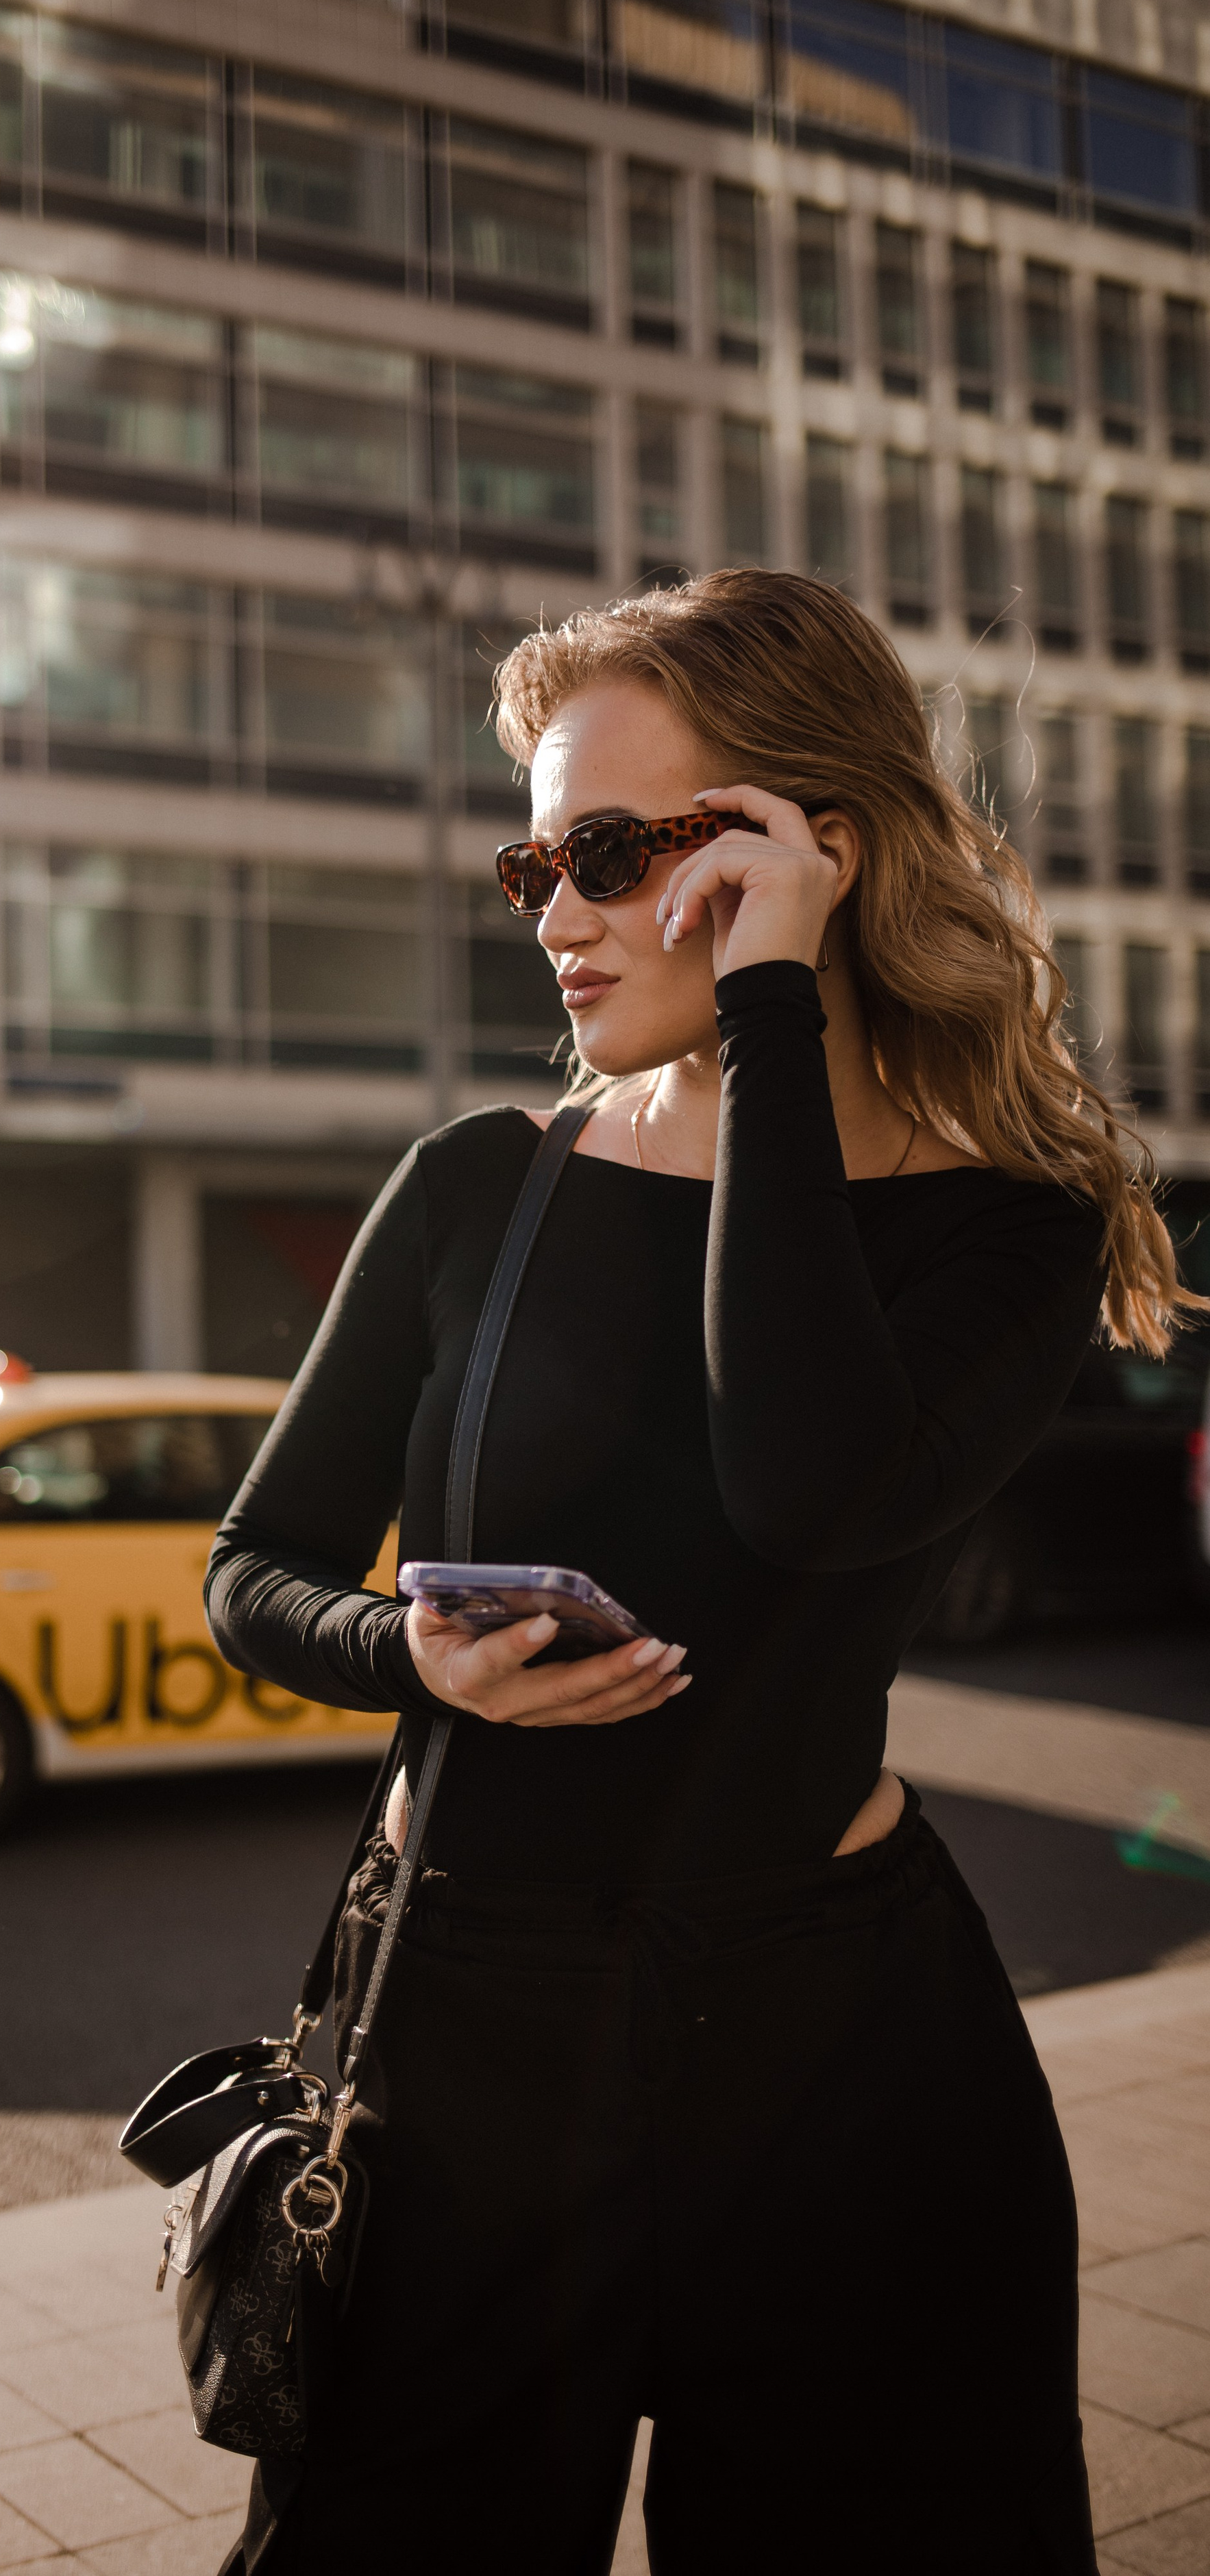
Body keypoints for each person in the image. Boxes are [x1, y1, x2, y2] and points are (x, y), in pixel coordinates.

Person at [206, 569, 1193, 2575]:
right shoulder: (477, 1188)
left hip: (841, 2057)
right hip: (468, 2044)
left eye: (608, 855)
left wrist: (763, 1019)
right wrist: (413, 1658)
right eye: (535, 865)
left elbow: (807, 1488)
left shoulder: (1010, 1231)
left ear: (805, 855)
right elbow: (256, 1570)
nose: (554, 918)